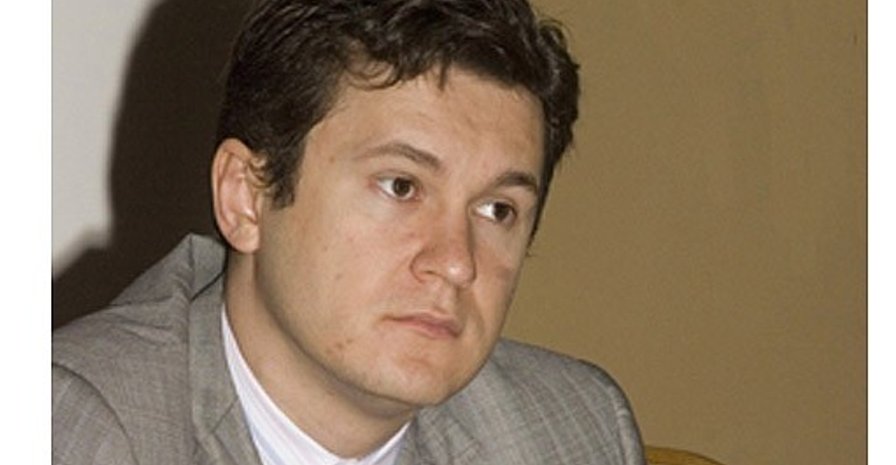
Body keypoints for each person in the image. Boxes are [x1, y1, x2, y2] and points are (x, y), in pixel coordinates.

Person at [52, 0, 645, 463]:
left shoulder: (576, 432)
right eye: (401, 186)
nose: (456, 262)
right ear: (245, 198)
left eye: (497, 210)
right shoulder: (76, 433)